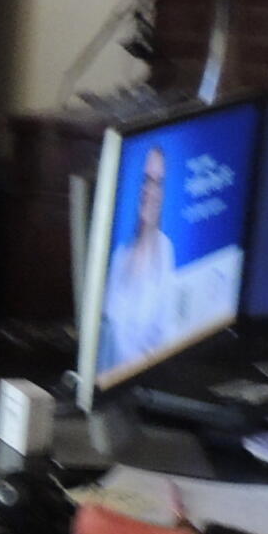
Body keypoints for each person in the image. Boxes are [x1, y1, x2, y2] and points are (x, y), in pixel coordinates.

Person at [100, 146, 181, 374]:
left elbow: (167, 337)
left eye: (158, 182)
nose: (150, 191)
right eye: (146, 180)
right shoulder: (117, 256)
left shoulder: (165, 250)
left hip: (146, 382)